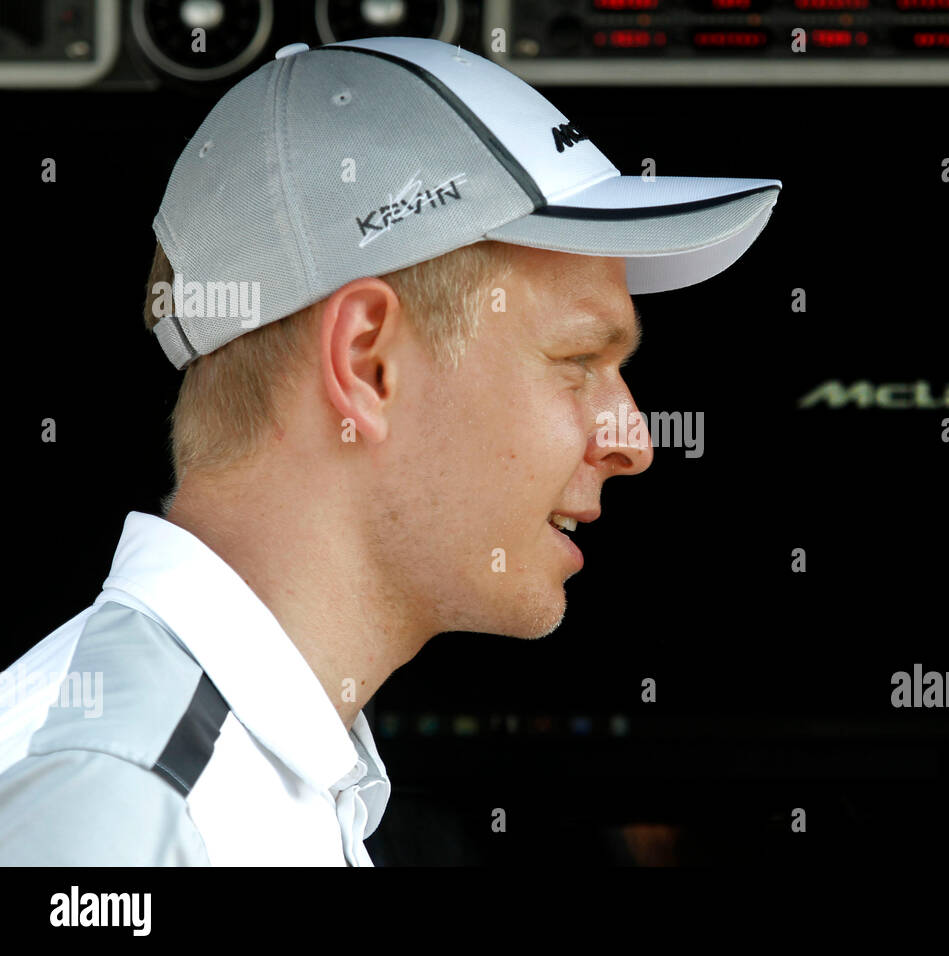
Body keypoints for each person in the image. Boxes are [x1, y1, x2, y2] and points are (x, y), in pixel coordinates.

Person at [0, 36, 780, 865]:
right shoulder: (126, 807)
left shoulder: (229, 774)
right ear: (367, 362)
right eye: (580, 361)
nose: (636, 442)